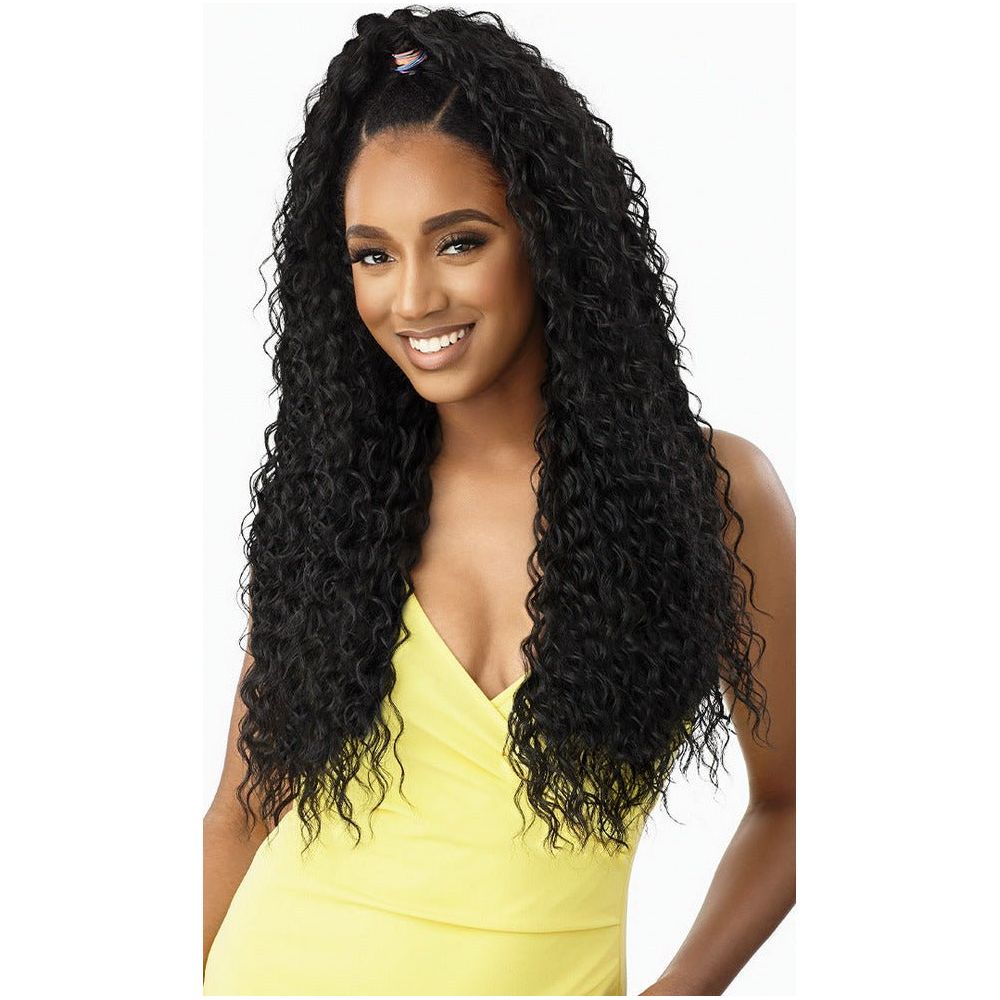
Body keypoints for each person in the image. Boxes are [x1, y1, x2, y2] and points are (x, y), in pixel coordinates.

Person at [203, 6, 795, 995]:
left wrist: (681, 987)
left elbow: (795, 803)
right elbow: (240, 810)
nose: (411, 301)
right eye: (372, 254)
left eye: (459, 242)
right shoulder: (340, 501)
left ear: (549, 236)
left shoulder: (709, 496)